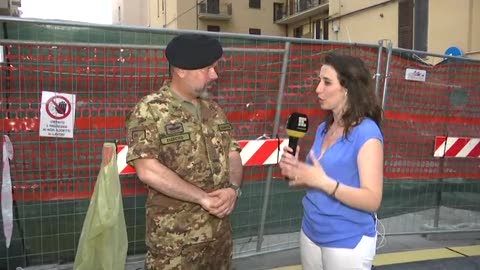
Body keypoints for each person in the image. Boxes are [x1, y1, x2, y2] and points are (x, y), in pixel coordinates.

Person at [125, 33, 243, 270]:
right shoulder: (151, 110)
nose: (215, 75)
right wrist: (202, 198)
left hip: (218, 240)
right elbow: (147, 170)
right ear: (181, 69)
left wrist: (232, 189)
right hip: (175, 246)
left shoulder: (214, 110)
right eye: (208, 68)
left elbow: (232, 153)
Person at [279, 53, 384, 270]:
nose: (318, 89)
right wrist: (297, 171)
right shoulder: (323, 129)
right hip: (310, 231)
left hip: (347, 242)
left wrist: (322, 181)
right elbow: (316, 180)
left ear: (348, 88)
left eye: (326, 82)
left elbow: (372, 200)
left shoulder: (367, 134)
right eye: (319, 81)